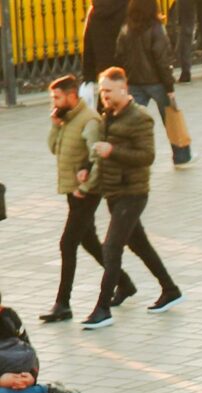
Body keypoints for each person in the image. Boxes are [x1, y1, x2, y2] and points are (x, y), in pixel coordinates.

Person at [81, 71, 185, 330]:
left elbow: (146, 156)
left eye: (108, 91)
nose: (104, 96)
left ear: (124, 89)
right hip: (114, 191)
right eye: (102, 92)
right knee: (139, 244)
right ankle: (170, 290)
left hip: (133, 192)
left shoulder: (140, 118)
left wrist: (113, 151)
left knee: (111, 247)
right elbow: (100, 146)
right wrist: (86, 165)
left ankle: (102, 309)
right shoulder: (109, 115)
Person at [45, 79, 130, 327]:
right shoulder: (67, 119)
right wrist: (55, 126)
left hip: (87, 191)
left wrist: (85, 187)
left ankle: (63, 303)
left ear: (72, 96)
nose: (54, 103)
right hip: (73, 190)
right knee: (88, 240)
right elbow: (54, 148)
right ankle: (125, 283)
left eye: (57, 98)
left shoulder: (89, 120)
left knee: (67, 242)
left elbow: (97, 158)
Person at [115, 0, 190, 168]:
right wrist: (169, 86)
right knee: (171, 119)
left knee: (130, 120)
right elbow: (162, 60)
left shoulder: (126, 29)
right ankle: (181, 156)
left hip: (133, 82)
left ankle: (124, 154)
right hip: (157, 82)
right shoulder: (156, 29)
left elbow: (119, 55)